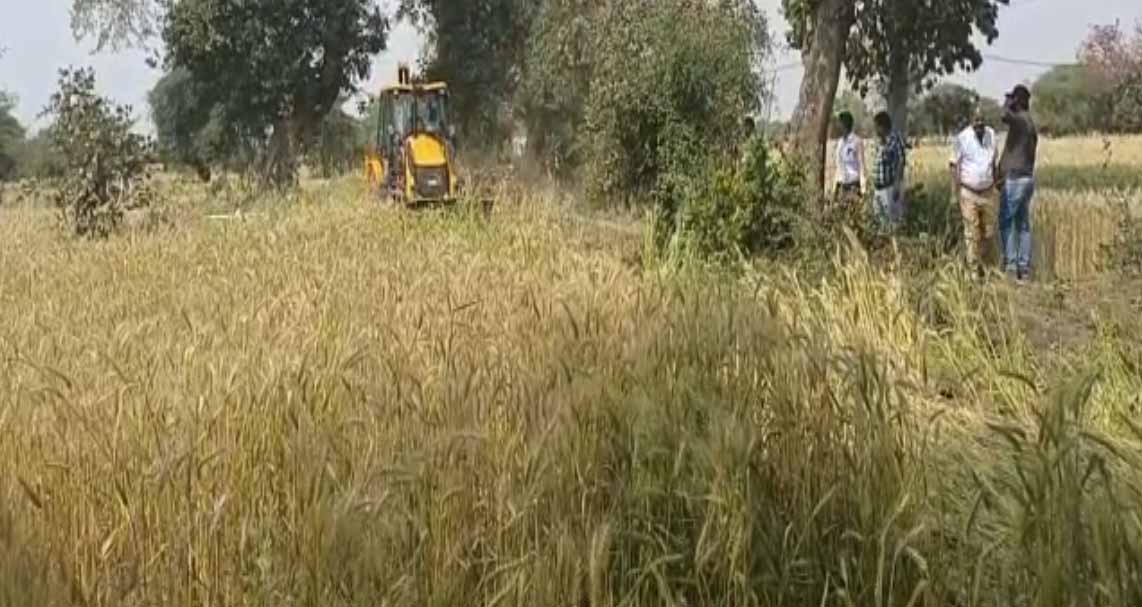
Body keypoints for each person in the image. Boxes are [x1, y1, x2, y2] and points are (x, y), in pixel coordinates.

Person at [949, 107, 1000, 277]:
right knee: (972, 233)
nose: (980, 123)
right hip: (969, 193)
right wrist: (954, 193)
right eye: (976, 120)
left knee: (989, 232)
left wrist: (996, 186)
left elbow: (993, 163)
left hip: (988, 192)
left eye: (982, 119)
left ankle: (986, 267)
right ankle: (973, 272)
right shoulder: (962, 138)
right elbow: (953, 165)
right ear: (971, 121)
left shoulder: (991, 135)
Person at [997, 84, 1039, 282]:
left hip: (1015, 179)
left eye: (1014, 98)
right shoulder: (1030, 123)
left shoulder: (1021, 120)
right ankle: (1024, 268)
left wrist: (1008, 102)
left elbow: (1004, 116)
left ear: (1018, 101)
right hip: (1027, 178)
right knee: (1022, 224)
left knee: (1006, 221)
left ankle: (1012, 266)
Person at [871, 111, 906, 231]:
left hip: (890, 188)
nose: (875, 130)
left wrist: (897, 184)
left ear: (882, 126)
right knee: (880, 224)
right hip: (878, 189)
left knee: (893, 224)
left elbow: (901, 161)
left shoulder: (895, 138)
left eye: (876, 127)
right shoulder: (878, 141)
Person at [832, 111, 866, 206]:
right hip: (841, 184)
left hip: (853, 185)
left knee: (854, 212)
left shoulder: (856, 141)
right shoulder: (840, 143)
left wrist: (863, 189)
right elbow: (838, 166)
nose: (837, 126)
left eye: (839, 123)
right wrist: (835, 190)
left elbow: (862, 166)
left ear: (844, 124)